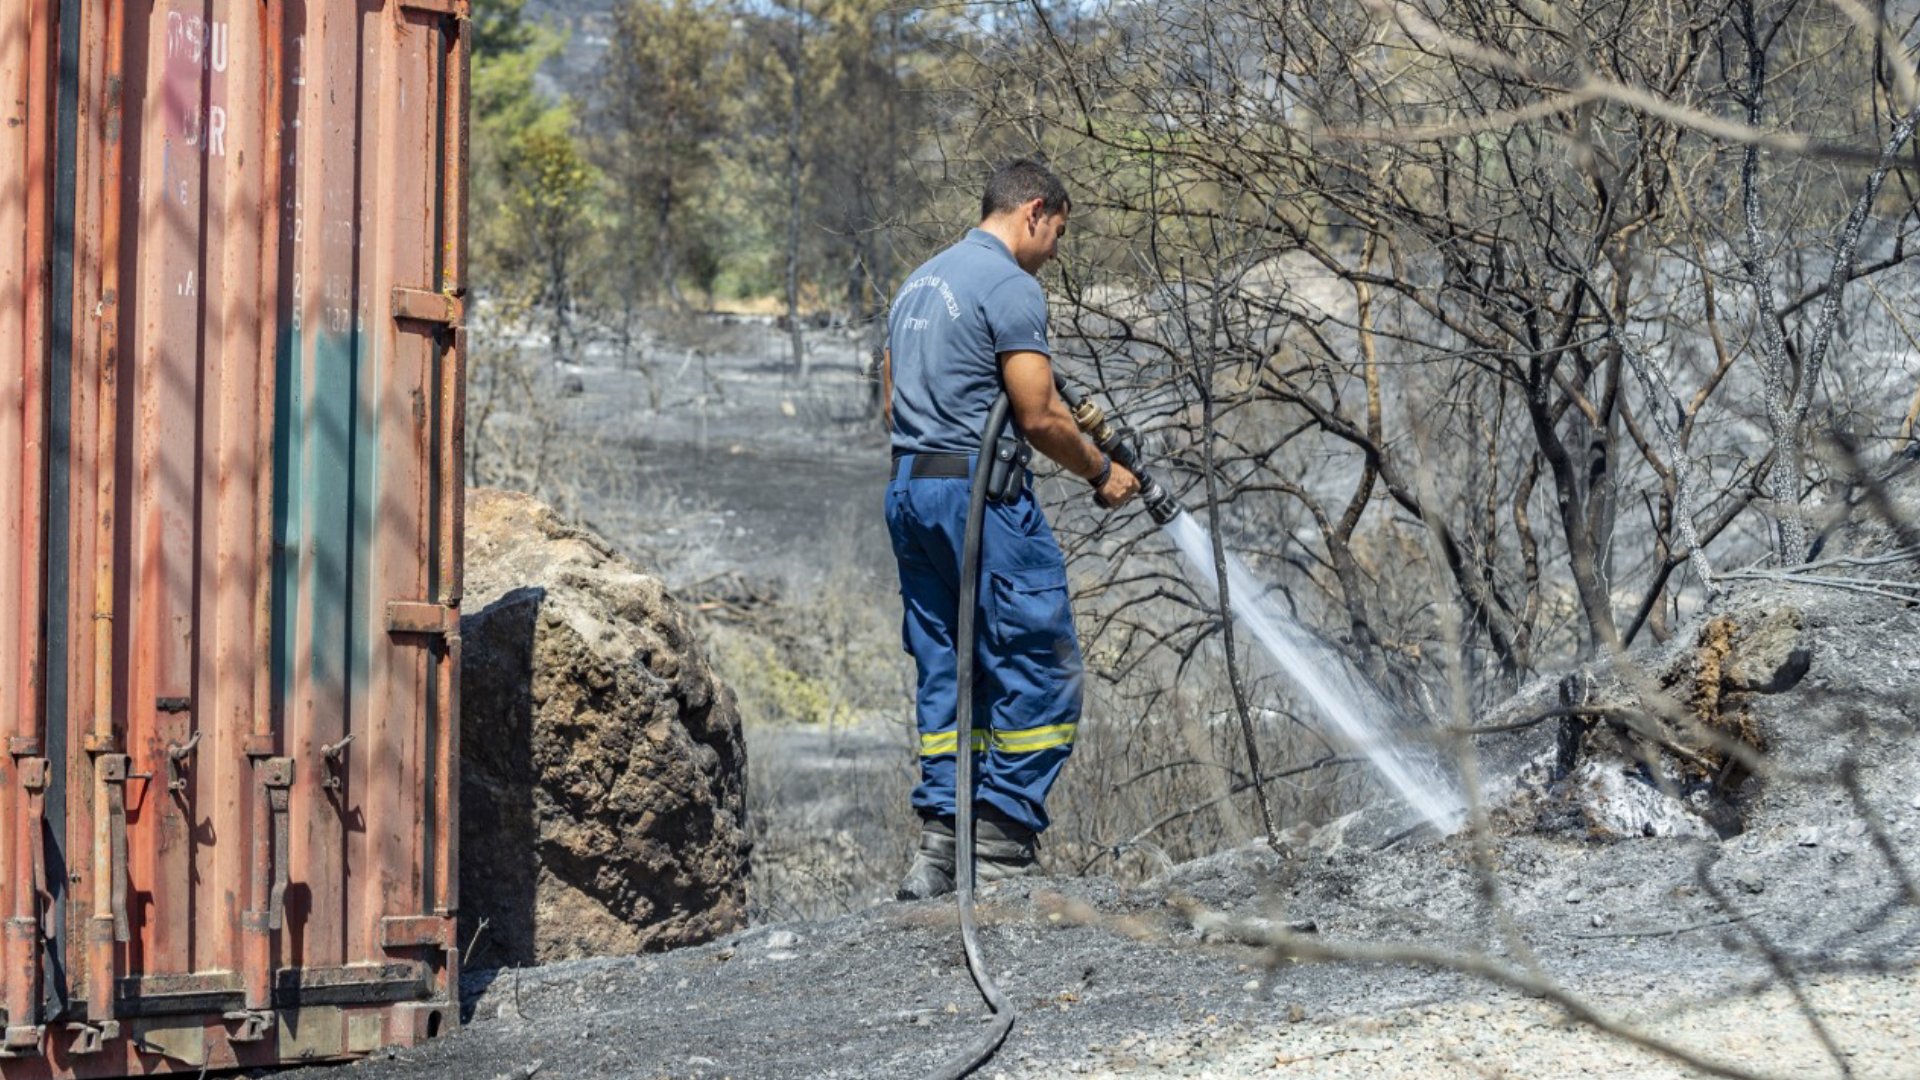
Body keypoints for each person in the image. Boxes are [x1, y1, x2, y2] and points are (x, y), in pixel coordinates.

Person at [881, 158, 1140, 900]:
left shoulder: (918, 283)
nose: (1055, 251)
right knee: (1039, 662)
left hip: (910, 492)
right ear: (1035, 211)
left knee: (950, 668)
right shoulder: (1009, 286)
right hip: (977, 499)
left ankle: (941, 848)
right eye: (1057, 231)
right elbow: (1038, 416)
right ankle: (997, 847)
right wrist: (1100, 471)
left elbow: (893, 408)